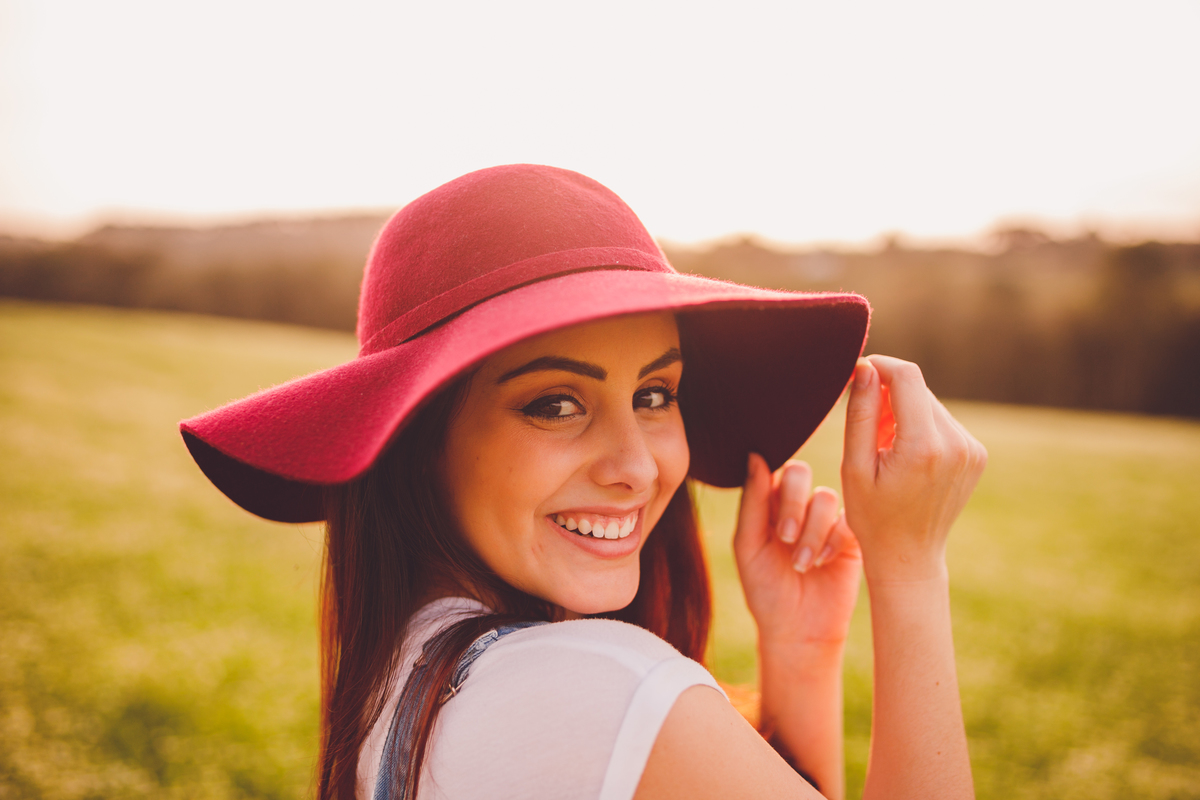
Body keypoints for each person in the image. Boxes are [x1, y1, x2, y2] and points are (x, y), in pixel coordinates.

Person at [181, 164, 985, 800]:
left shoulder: (409, 674)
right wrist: (910, 568)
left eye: (655, 395)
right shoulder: (589, 686)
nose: (634, 466)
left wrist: (803, 654)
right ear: (420, 437)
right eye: (556, 404)